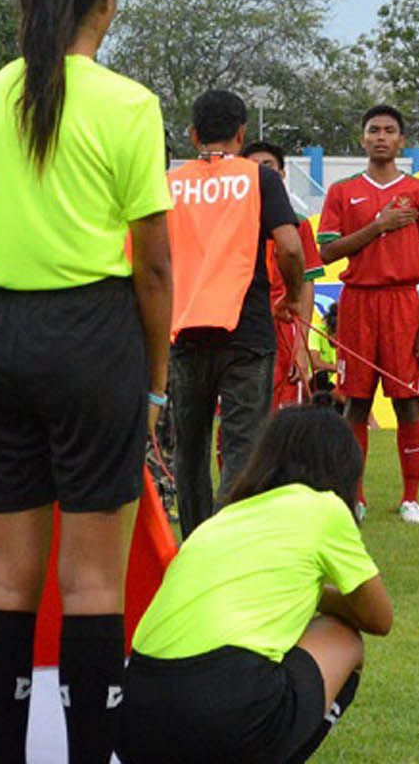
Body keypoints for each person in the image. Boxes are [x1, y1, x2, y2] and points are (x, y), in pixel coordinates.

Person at [0, 0, 173, 764]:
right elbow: (153, 268)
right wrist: (151, 388)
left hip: (0, 336)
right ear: (107, 1)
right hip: (94, 339)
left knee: (6, 580)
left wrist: (10, 326)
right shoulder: (128, 105)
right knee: (91, 584)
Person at [117, 406, 393, 764]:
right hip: (225, 709)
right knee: (345, 637)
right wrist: (320, 599)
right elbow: (379, 618)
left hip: (135, 712)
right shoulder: (324, 508)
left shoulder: (224, 518)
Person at [166, 93, 307, 535]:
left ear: (192, 135)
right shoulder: (258, 179)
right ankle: (227, 547)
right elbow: (290, 246)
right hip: (246, 333)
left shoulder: (169, 183)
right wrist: (292, 293)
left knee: (189, 451)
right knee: (243, 448)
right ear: (242, 133)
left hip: (185, 332)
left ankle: (193, 543)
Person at [316, 106, 419, 524]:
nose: (382, 137)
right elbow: (328, 251)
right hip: (359, 302)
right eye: (374, 130)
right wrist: (379, 225)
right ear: (363, 139)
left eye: (390, 131)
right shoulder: (342, 191)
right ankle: (356, 496)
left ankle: (411, 498)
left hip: (403, 303)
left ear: (401, 141)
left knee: (407, 402)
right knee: (356, 401)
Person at [243, 141, 328, 411]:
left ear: (281, 175)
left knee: (286, 411)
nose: (260, 173)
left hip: (284, 326)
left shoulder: (298, 223)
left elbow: (306, 286)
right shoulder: (229, 220)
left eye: (267, 167)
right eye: (252, 167)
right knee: (243, 411)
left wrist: (302, 349)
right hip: (244, 325)